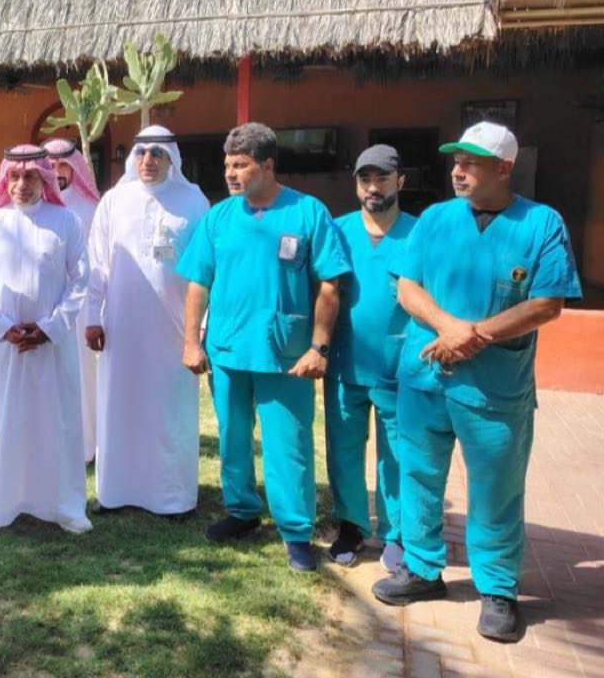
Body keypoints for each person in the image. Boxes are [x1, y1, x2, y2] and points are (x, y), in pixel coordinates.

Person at [371, 122, 581, 642]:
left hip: (494, 387)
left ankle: (497, 587)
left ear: (504, 168)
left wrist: (476, 335)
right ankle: (422, 569)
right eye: (455, 161)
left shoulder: (541, 224)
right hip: (425, 377)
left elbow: (547, 303)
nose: (457, 171)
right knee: (418, 475)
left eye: (471, 162)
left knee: (496, 488)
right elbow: (408, 287)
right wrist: (450, 328)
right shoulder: (436, 219)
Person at [177, 122, 350, 572]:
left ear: (268, 165)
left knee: (288, 443)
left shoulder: (307, 213)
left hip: (285, 354)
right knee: (233, 437)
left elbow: (329, 286)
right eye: (227, 165)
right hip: (227, 350)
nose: (230, 173)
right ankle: (242, 512)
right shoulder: (219, 217)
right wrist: (192, 342)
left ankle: (295, 530)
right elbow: (198, 283)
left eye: (240, 165)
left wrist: (318, 347)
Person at [86, 125, 209, 518]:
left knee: (170, 410)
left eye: (157, 153)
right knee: (119, 406)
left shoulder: (194, 201)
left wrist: (200, 329)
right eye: (141, 153)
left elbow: (205, 269)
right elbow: (97, 264)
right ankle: (114, 492)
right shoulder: (114, 200)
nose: (148, 160)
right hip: (121, 327)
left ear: (172, 159)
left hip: (174, 329)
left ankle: (172, 498)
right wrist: (92, 316)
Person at [0, 145, 91, 536]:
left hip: (52, 344)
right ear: (5, 179)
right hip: (7, 345)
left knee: (57, 420)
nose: (21, 184)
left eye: (30, 177)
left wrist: (49, 328)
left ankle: (65, 506)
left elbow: (80, 279)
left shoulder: (66, 221)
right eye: (15, 177)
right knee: (2, 421)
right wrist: (1, 326)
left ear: (44, 179)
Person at [324, 145, 416, 568]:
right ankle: (351, 525)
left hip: (399, 366)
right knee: (343, 449)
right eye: (365, 179)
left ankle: (395, 533)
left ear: (401, 181)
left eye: (382, 179)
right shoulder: (337, 231)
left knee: (395, 453)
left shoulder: (419, 232)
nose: (373, 187)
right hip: (345, 361)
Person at [42, 137, 101, 463]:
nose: (57, 171)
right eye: (50, 165)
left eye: (64, 164)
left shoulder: (88, 208)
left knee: (79, 373)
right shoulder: (34, 204)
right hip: (41, 304)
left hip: (78, 307)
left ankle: (85, 444)